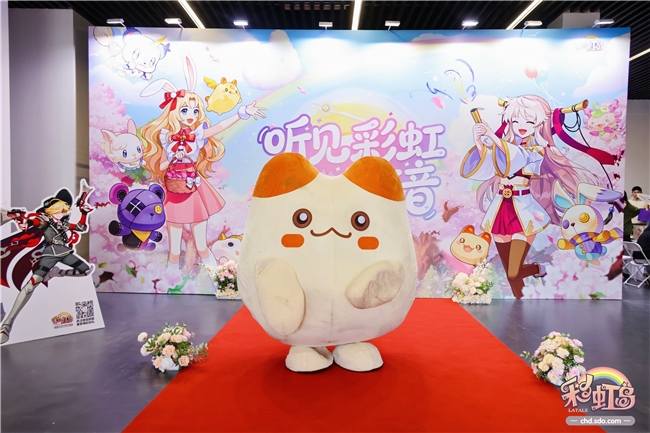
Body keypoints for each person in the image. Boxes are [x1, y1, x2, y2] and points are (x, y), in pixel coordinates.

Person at [461, 95, 597, 298]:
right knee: (510, 273)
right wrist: (479, 143)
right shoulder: (503, 147)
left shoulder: (537, 149)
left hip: (524, 210)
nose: (522, 126)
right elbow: (488, 166)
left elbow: (517, 157)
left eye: (530, 121)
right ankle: (520, 299)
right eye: (516, 121)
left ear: (539, 124)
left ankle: (538, 268)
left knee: (514, 271)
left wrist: (493, 138)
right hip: (500, 209)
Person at [140, 56, 265, 272]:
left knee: (201, 245)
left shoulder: (197, 134)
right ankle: (173, 282)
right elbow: (160, 167)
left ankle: (217, 279)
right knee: (174, 249)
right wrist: (172, 156)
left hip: (193, 189)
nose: (191, 115)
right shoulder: (166, 136)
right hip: (173, 190)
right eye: (185, 110)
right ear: (175, 112)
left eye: (195, 111)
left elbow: (220, 127)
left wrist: (241, 113)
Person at [0, 189, 94, 344]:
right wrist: (25, 221)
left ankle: (57, 273)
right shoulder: (45, 219)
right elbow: (36, 222)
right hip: (50, 253)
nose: (64, 212)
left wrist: (84, 213)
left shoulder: (62, 223)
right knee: (31, 285)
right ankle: (6, 325)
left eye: (65, 209)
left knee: (86, 270)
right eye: (62, 209)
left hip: (65, 252)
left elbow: (81, 228)